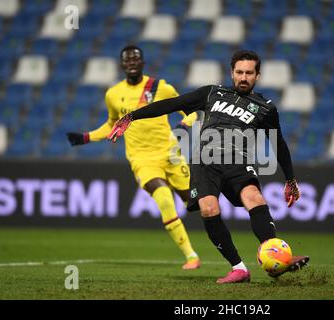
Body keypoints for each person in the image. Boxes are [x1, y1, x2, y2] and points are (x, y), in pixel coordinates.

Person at [108, 50, 309, 283]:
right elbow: (173, 104)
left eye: (249, 73)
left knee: (254, 197)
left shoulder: (265, 107)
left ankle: (277, 256)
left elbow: (279, 143)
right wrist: (132, 117)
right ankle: (239, 268)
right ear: (232, 73)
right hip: (205, 161)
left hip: (238, 160)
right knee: (208, 209)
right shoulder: (213, 93)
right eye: (239, 72)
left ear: (257, 75)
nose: (243, 77)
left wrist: (290, 179)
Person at [66, 45, 200, 269]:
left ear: (142, 63)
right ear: (122, 65)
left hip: (171, 154)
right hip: (142, 159)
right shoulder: (113, 94)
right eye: (127, 60)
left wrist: (184, 125)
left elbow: (193, 110)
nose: (131, 63)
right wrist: (86, 137)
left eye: (135, 59)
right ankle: (191, 256)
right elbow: (112, 124)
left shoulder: (161, 88)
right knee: (164, 199)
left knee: (198, 204)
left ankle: (231, 257)